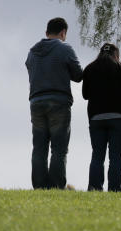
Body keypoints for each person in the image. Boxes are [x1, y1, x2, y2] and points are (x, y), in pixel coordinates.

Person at [25, 17, 83, 189]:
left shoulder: (32, 52)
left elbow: (30, 69)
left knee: (39, 147)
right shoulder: (65, 48)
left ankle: (39, 187)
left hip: (36, 101)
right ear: (63, 32)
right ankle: (56, 186)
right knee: (59, 148)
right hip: (58, 100)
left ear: (46, 32)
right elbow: (78, 75)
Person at [81, 42, 121, 191]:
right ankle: (114, 189)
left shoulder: (90, 68)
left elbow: (85, 95)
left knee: (97, 155)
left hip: (96, 116)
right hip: (118, 116)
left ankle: (95, 187)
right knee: (115, 156)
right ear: (116, 54)